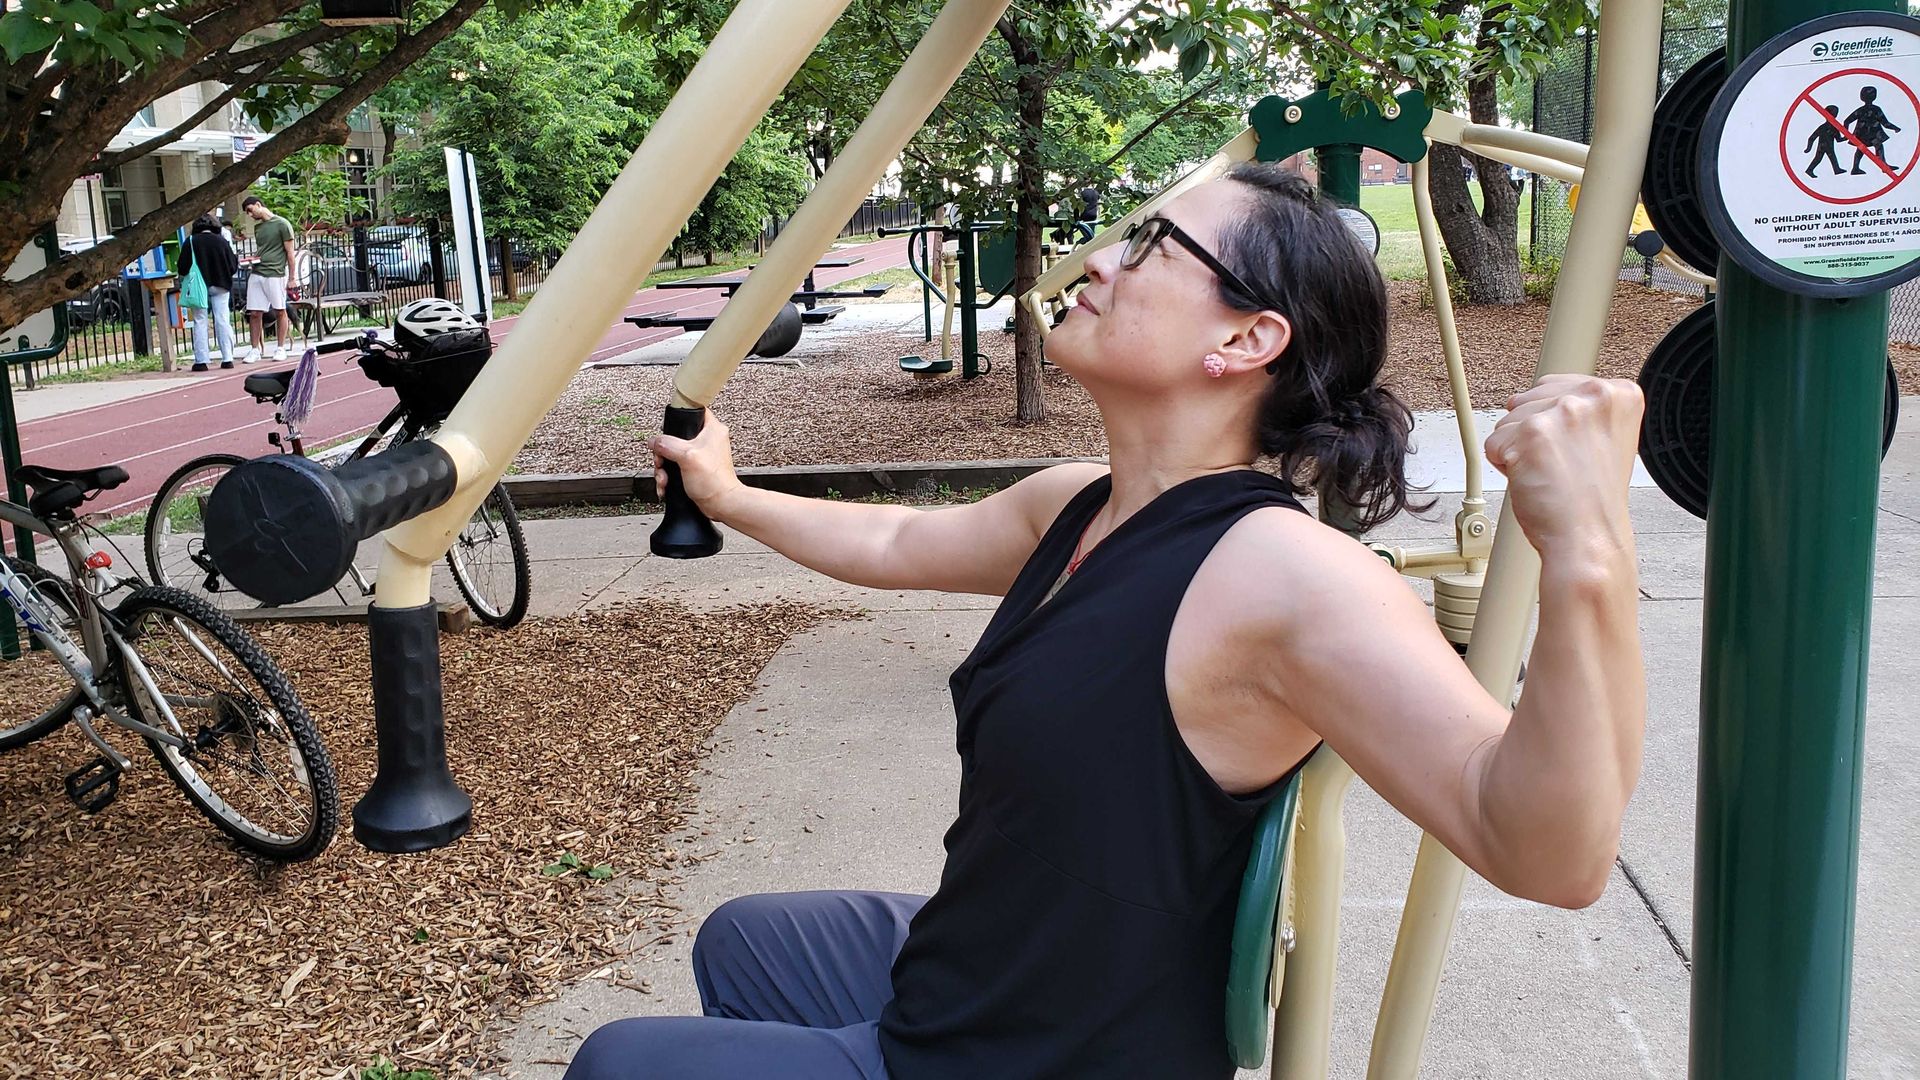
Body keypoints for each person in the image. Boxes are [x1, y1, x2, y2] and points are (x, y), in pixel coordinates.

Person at [569, 163, 1647, 1080]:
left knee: (618, 1063)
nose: (1097, 263)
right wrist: (730, 498)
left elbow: (1547, 852)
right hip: (985, 976)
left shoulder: (1287, 581)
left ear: (1246, 337)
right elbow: (899, 543)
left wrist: (1589, 555)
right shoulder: (1079, 501)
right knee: (747, 945)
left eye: (1149, 247)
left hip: (1037, 1053)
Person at [240, 194, 296, 362]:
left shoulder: (282, 224)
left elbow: (290, 252)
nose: (250, 215)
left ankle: (280, 347)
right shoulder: (259, 228)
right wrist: (252, 259)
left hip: (275, 272)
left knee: (280, 310)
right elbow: (263, 249)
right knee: (255, 312)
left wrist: (292, 278)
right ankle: (255, 349)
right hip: (257, 271)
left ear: (258, 205)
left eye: (250, 210)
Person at [179, 213, 238, 371]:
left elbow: (182, 267)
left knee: (200, 320)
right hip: (221, 284)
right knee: (222, 319)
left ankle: (201, 360)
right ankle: (227, 358)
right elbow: (233, 266)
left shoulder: (190, 242)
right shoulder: (222, 241)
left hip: (198, 286)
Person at [1846, 85, 1902, 175]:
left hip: (1863, 136)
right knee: (1877, 146)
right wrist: (1895, 128)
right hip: (1872, 135)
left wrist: (1847, 134)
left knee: (1861, 149)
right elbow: (1885, 123)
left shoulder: (1861, 110)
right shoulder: (1876, 109)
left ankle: (1857, 168)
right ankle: (1882, 166)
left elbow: (1847, 121)